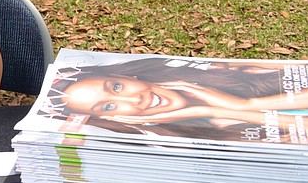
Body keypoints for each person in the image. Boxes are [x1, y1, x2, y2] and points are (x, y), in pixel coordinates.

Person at [46, 58, 308, 143]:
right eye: (109, 106)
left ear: (126, 76)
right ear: (112, 119)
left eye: (117, 87)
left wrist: (245, 104)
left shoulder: (224, 69)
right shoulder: (205, 137)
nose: (135, 98)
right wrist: (228, 110)